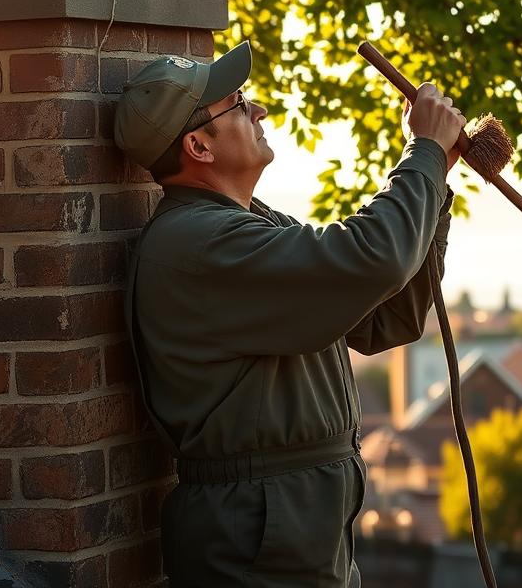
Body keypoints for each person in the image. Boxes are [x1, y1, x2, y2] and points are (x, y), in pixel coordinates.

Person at [113, 40, 464, 587]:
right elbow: (373, 256)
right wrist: (422, 155)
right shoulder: (200, 245)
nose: (260, 111)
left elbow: (383, 318)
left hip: (293, 522)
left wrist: (434, 184)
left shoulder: (249, 225)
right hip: (260, 531)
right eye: (240, 103)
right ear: (199, 146)